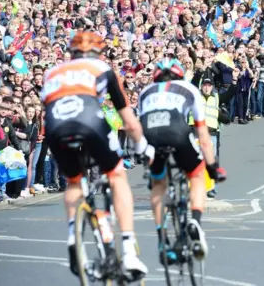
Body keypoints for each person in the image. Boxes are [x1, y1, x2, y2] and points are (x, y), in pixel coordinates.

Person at [40, 32, 149, 279]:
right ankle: (129, 250)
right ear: (98, 53)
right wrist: (143, 146)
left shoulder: (51, 73)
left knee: (75, 182)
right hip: (90, 122)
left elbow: (47, 107)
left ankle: (72, 240)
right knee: (117, 175)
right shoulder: (102, 67)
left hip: (56, 128)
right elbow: (128, 121)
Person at [138, 58, 226, 262]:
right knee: (196, 175)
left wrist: (143, 157)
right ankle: (194, 221)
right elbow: (203, 135)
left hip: (150, 135)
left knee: (158, 183)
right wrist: (212, 167)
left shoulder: (146, 92)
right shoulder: (189, 88)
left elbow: (137, 127)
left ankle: (162, 240)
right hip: (177, 132)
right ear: (180, 75)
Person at [190, 69, 237, 198]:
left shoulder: (216, 97)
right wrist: (199, 73)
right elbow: (192, 85)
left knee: (211, 162)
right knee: (194, 162)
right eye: (204, 85)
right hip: (196, 133)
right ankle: (195, 188)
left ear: (212, 87)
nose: (206, 87)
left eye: (209, 85)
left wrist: (234, 80)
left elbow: (230, 94)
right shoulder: (195, 95)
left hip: (211, 134)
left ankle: (211, 189)